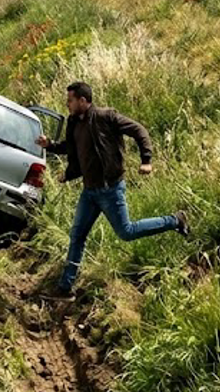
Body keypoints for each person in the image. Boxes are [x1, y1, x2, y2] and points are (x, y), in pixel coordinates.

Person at [36, 82, 190, 297]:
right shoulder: (74, 123)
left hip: (110, 189)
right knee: (77, 235)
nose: (67, 104)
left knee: (126, 232)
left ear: (82, 100)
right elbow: (71, 148)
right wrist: (51, 145)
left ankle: (175, 220)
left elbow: (139, 130)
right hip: (89, 192)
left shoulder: (106, 117)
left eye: (70, 100)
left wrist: (146, 160)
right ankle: (65, 287)